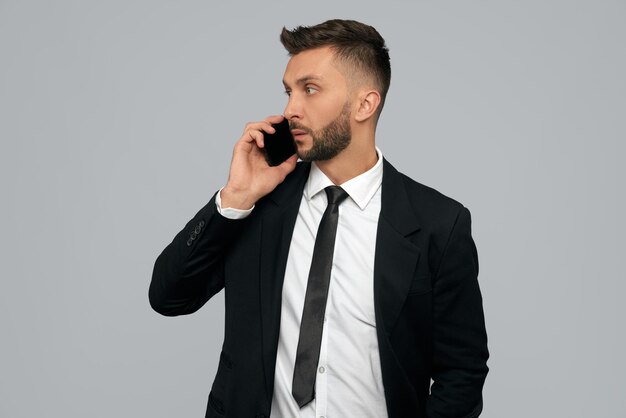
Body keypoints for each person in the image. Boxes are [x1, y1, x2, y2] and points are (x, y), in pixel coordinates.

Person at [149, 19, 489, 418]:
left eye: (310, 89)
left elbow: (462, 372)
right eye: (289, 91)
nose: (291, 109)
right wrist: (236, 197)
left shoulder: (437, 223)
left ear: (365, 103)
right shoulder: (261, 204)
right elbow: (169, 297)